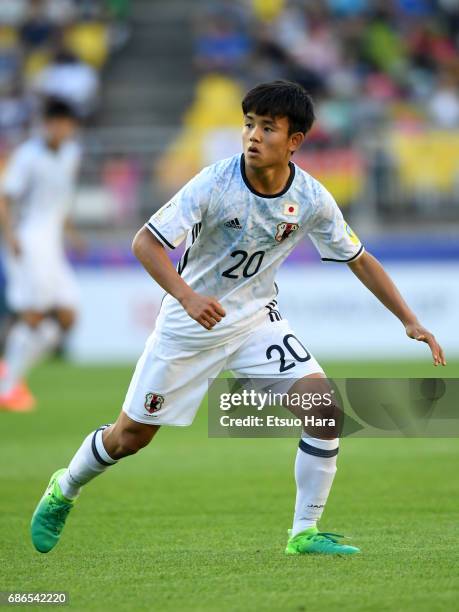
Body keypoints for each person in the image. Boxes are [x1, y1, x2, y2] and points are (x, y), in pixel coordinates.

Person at [30, 81, 445, 555]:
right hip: (190, 327)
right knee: (130, 438)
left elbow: (359, 257)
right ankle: (65, 487)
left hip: (255, 322)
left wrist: (409, 319)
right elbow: (145, 242)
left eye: (268, 128)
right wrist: (186, 297)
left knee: (324, 410)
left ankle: (303, 533)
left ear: (294, 142)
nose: (252, 135)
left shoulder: (310, 198)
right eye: (249, 124)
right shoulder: (215, 182)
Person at [0, 98, 81, 411]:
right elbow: (5, 198)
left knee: (68, 315)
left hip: (52, 241)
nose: (60, 129)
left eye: (65, 123)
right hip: (28, 239)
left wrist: (72, 234)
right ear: (45, 124)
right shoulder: (27, 157)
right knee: (34, 314)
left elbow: (61, 199)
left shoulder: (72, 153)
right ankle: (8, 387)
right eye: (55, 122)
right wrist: (10, 237)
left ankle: (9, 372)